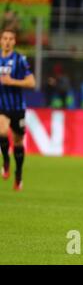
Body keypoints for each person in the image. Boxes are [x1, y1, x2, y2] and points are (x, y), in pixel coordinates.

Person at [0, 29, 36, 191]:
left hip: (17, 108)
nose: (7, 41)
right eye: (5, 38)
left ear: (14, 42)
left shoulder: (20, 60)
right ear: (1, 40)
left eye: (10, 39)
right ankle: (6, 161)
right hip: (2, 107)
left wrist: (12, 81)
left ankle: (18, 174)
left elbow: (31, 83)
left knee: (18, 142)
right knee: (1, 130)